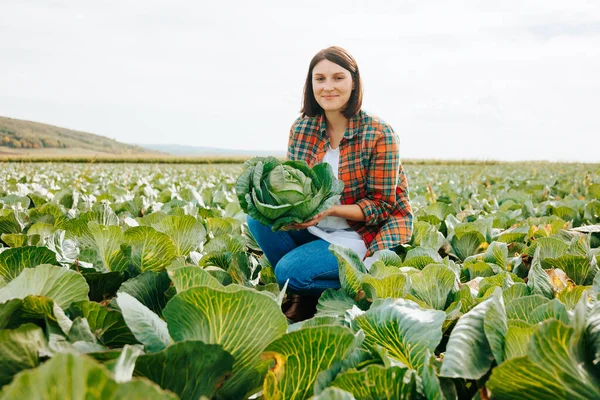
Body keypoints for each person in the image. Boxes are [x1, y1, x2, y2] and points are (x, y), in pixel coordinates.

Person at [246, 46, 413, 321]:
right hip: (315, 228)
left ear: (354, 82)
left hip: (361, 233)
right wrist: (285, 207)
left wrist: (330, 210)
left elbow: (381, 207)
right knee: (258, 220)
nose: (328, 87)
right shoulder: (302, 128)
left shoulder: (380, 133)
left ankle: (358, 284)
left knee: (289, 271)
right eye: (320, 79)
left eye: (338, 78)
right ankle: (302, 292)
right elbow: (295, 183)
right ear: (310, 84)